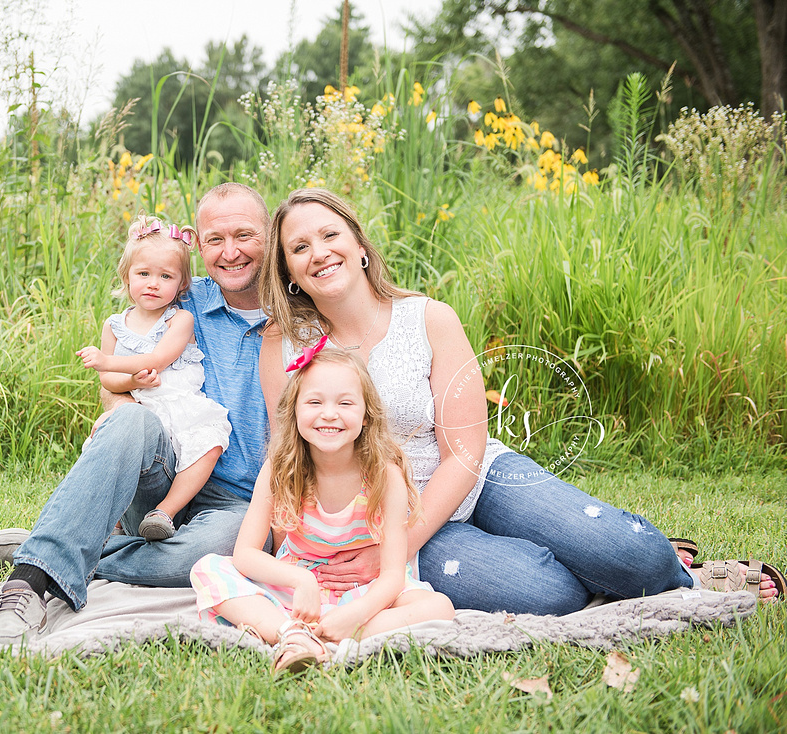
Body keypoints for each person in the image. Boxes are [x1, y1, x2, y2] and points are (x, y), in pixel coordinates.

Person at [258, 187, 781, 616]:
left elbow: (464, 450)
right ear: (288, 271)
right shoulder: (285, 344)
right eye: (299, 247)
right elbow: (287, 458)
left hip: (478, 479)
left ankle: (673, 569)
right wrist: (365, 548)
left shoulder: (429, 318)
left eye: (330, 234)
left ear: (360, 244)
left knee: (630, 555)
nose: (318, 252)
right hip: (374, 515)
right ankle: (598, 567)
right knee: (546, 595)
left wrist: (399, 549)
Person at [0, 183, 272, 654]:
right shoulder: (179, 296)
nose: (231, 251)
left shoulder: (298, 313)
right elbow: (116, 376)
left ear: (270, 234)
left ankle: (67, 549)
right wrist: (120, 411)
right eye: (215, 239)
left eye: (245, 235)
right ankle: (28, 586)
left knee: (212, 554)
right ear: (197, 246)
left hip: (241, 504)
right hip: (163, 476)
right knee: (132, 421)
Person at [191, 345, 454, 673]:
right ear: (295, 410)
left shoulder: (385, 475)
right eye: (315, 402)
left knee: (437, 607)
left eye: (345, 403)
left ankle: (321, 639)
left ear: (366, 414)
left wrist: (358, 613)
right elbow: (245, 554)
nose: (329, 413)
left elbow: (391, 573)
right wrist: (301, 581)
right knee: (207, 569)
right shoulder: (280, 468)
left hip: (363, 589)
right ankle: (292, 634)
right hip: (297, 587)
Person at [76, 215, 231, 541]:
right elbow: (110, 383)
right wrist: (131, 381)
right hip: (142, 409)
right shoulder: (115, 325)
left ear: (181, 284)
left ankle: (165, 511)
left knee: (209, 440)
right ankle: (106, 524)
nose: (153, 283)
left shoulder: (181, 320)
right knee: (108, 440)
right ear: (127, 276)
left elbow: (159, 359)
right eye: (143, 274)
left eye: (165, 276)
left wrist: (109, 361)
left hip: (178, 406)